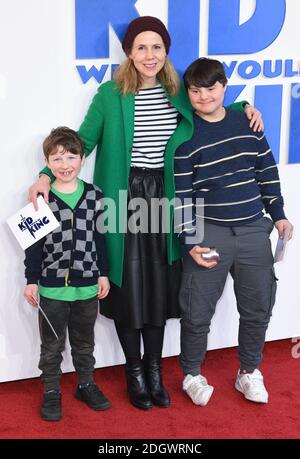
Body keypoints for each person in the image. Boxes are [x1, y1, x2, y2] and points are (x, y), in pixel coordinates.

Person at [28, 17, 263, 410]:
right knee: (127, 287)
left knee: (158, 286)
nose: (149, 55)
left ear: (165, 51)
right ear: (129, 53)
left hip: (164, 198)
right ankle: (134, 371)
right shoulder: (109, 95)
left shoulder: (177, 92)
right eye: (141, 47)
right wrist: (45, 174)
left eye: (156, 47)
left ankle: (155, 370)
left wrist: (244, 106)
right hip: (124, 197)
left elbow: (212, 106)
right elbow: (81, 141)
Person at [174, 57, 293, 406]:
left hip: (255, 230)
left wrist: (279, 215)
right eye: (195, 91)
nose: (204, 96)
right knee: (196, 311)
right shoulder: (186, 138)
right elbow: (182, 196)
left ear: (224, 87)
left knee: (258, 307)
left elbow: (266, 173)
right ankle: (192, 374)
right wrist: (190, 240)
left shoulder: (248, 122)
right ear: (189, 94)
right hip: (210, 233)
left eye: (211, 88)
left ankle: (248, 372)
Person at [24, 127, 111, 421]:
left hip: (87, 286)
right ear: (48, 163)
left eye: (71, 156)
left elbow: (100, 238)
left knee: (84, 341)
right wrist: (32, 280)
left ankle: (86, 384)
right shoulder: (41, 198)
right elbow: (33, 245)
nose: (65, 165)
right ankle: (51, 390)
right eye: (57, 159)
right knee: (52, 345)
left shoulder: (95, 195)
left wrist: (103, 273)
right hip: (51, 289)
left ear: (82, 159)